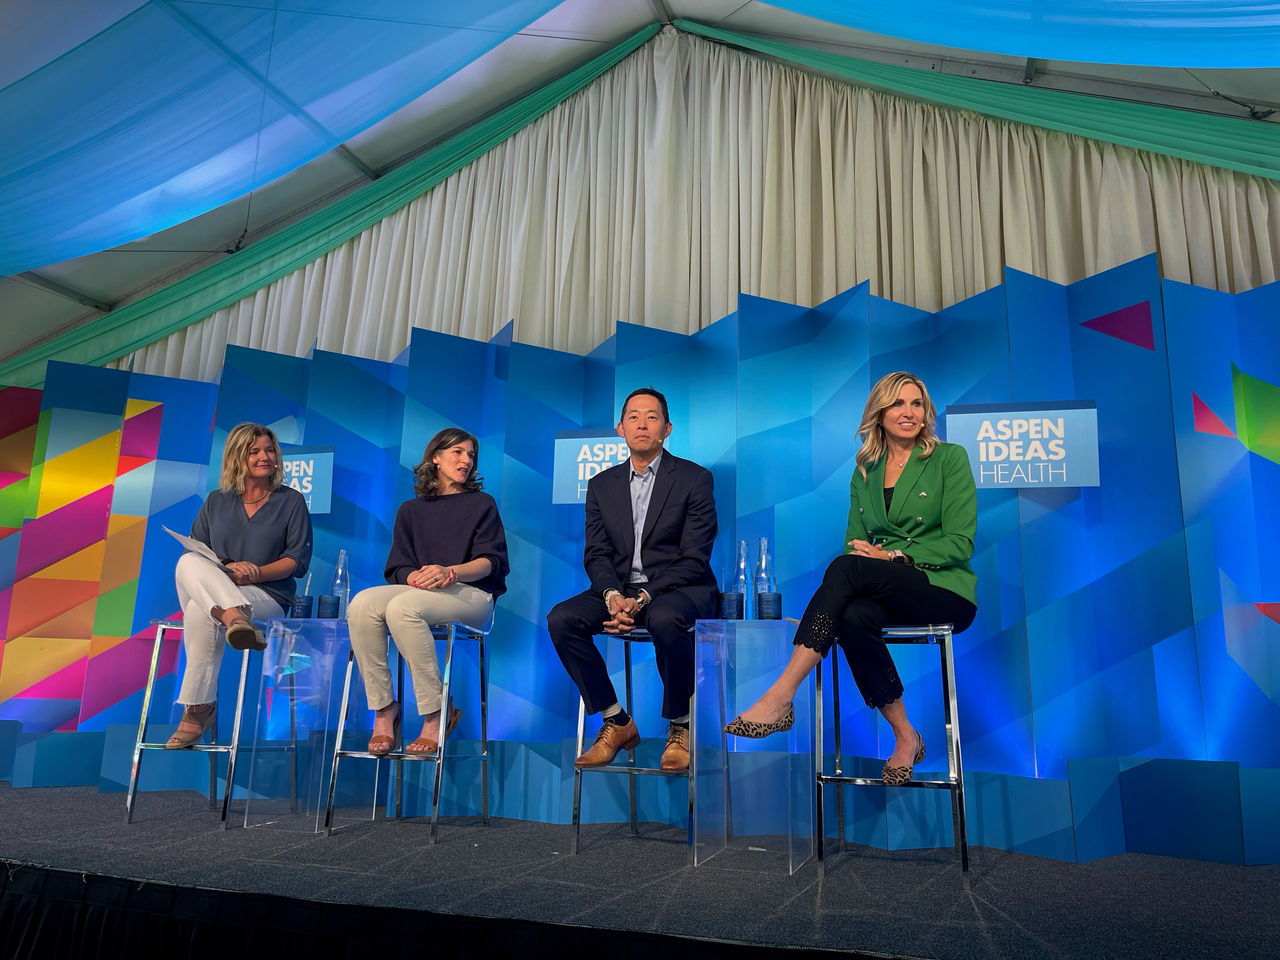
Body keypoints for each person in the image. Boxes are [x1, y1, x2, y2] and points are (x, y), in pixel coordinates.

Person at [725, 372, 977, 784]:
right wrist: (849, 584)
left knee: (846, 571)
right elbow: (853, 546)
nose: (909, 412)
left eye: (916, 404)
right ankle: (905, 736)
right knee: (853, 615)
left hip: (943, 587)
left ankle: (781, 695)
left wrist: (895, 554)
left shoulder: (949, 458)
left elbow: (960, 543)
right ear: (880, 413)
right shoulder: (865, 470)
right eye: (898, 404)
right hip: (885, 584)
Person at [547, 387, 719, 774]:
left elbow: (694, 558)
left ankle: (681, 726)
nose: (642, 423)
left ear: (667, 428)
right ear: (620, 428)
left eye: (652, 416)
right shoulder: (601, 484)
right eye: (634, 416)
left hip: (679, 590)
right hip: (620, 591)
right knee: (561, 619)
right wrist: (611, 596)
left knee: (663, 619)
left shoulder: (695, 479)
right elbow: (596, 554)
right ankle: (616, 721)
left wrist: (641, 598)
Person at [348, 428, 508, 756]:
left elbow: (492, 562)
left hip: (471, 595)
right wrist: (418, 576)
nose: (466, 460)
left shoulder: (481, 504)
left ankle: (437, 712)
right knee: (362, 603)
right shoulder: (410, 510)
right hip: (424, 592)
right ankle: (383, 709)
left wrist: (450, 572)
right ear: (435, 457)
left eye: (471, 455)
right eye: (458, 453)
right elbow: (397, 569)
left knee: (403, 608)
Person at [167, 423, 313, 748]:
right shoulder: (216, 501)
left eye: (270, 449)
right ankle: (234, 619)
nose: (265, 456)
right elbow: (197, 552)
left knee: (199, 609)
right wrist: (227, 569)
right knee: (187, 563)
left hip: (266, 596)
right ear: (237, 456)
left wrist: (255, 574)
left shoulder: (291, 501)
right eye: (255, 451)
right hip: (223, 595)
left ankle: (198, 708)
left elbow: (295, 562)